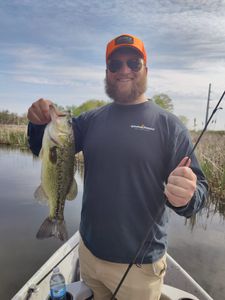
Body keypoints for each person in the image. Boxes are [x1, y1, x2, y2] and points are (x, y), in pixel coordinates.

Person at [27, 34, 208, 300]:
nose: (124, 70)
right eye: (115, 65)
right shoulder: (91, 120)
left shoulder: (169, 126)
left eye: (133, 63)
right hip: (89, 255)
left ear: (146, 69)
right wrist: (37, 122)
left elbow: (200, 190)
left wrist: (188, 196)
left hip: (140, 265)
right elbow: (43, 148)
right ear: (107, 73)